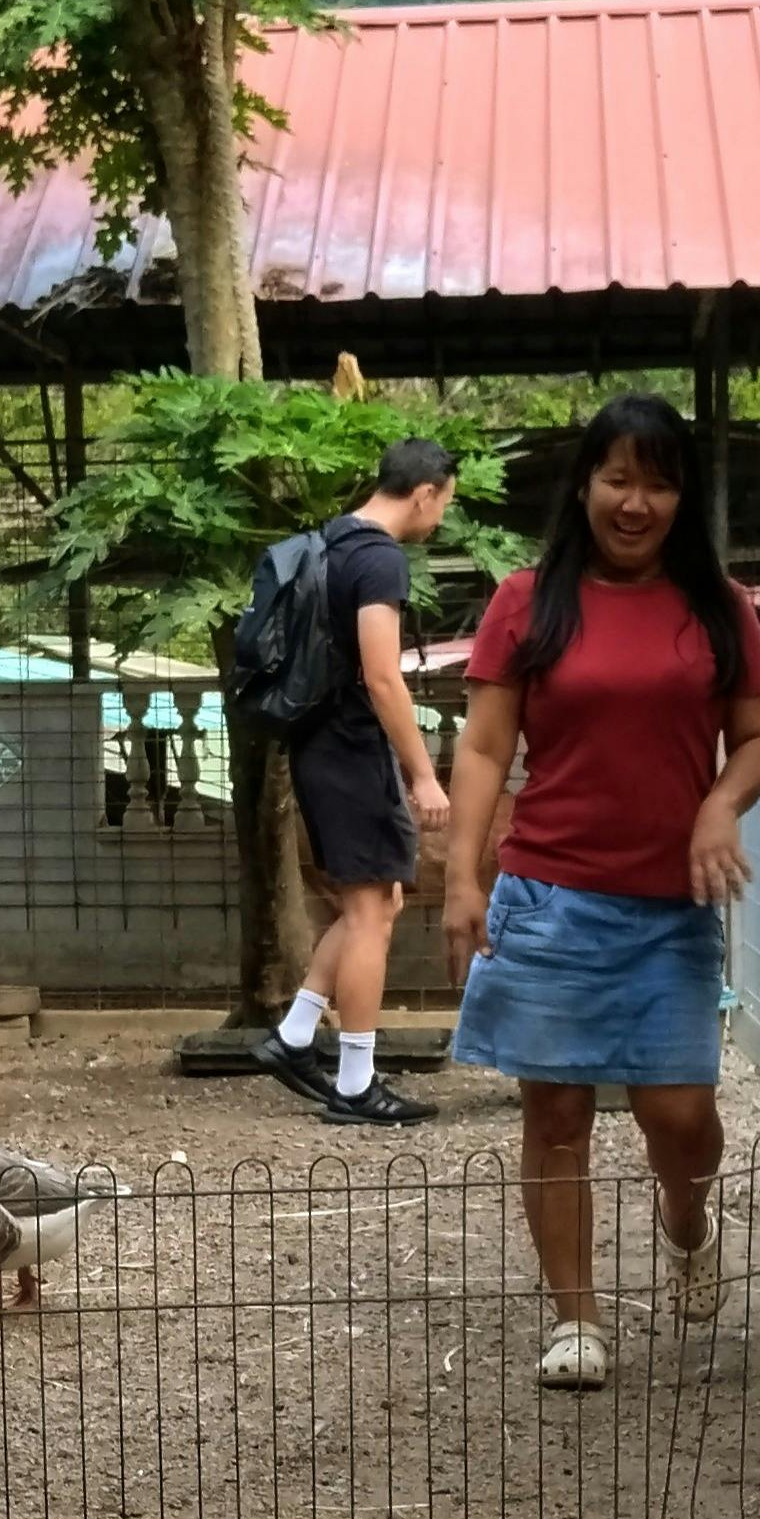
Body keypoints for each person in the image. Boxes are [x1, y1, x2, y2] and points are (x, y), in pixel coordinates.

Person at [443, 393, 760, 1391]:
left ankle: (686, 1216)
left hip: (671, 906)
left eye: (660, 481)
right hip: (548, 894)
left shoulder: (719, 606)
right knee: (555, 1111)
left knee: (678, 1111)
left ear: (685, 495)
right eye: (618, 478)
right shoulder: (526, 601)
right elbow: (486, 744)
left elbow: (759, 736)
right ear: (585, 484)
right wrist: (464, 876)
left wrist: (720, 804)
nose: (636, 502)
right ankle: (576, 1320)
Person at [251, 439, 461, 1125]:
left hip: (319, 746)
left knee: (378, 902)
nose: (439, 519)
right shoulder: (378, 558)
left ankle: (293, 1035)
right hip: (350, 749)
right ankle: (355, 1083)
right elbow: (381, 675)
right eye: (444, 504)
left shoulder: (332, 541)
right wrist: (423, 774)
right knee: (372, 914)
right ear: (425, 492)